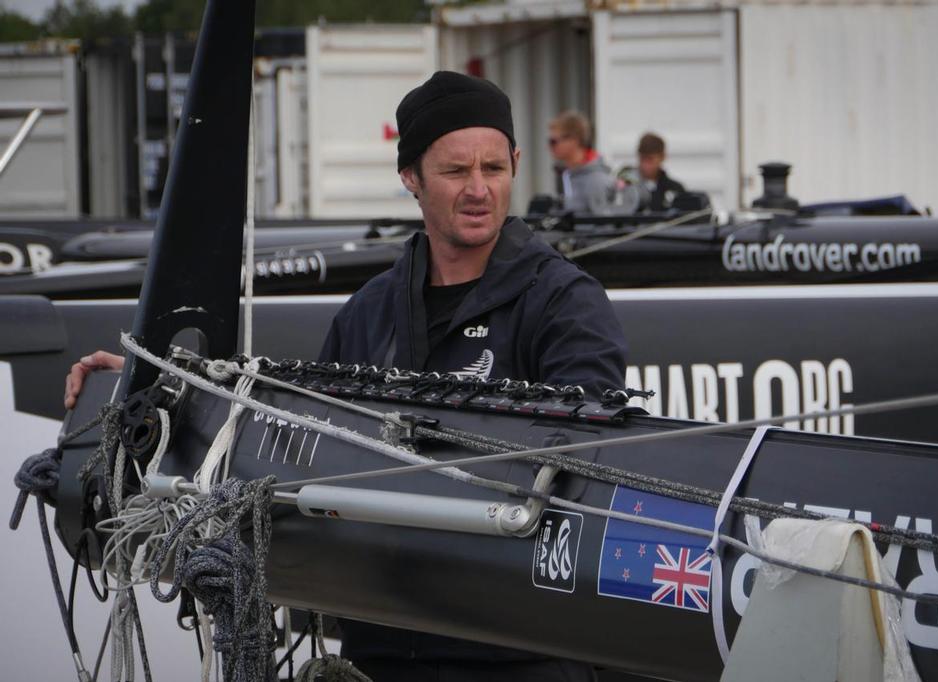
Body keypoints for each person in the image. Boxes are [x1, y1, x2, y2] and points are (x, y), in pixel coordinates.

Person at [66, 71, 627, 681]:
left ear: (517, 163)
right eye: (455, 171)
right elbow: (291, 425)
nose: (478, 190)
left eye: (494, 169)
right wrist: (153, 387)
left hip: (523, 652)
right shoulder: (369, 312)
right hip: (380, 648)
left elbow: (592, 467)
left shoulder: (566, 302)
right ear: (410, 177)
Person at [547, 111, 615, 214]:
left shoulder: (596, 181)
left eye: (553, 142)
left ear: (574, 140)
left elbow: (604, 226)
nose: (549, 147)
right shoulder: (566, 174)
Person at [635, 132, 710, 213]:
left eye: (650, 159)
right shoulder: (629, 185)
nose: (645, 165)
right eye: (642, 159)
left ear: (662, 157)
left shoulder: (675, 189)